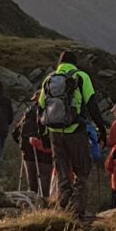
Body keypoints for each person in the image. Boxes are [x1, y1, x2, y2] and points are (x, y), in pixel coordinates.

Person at [36, 50, 109, 218]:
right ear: (74, 63)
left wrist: (43, 135)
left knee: (62, 170)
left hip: (54, 132)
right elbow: (92, 105)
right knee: (82, 171)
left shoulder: (49, 79)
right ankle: (77, 211)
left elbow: (40, 109)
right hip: (75, 131)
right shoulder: (81, 77)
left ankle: (63, 205)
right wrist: (102, 130)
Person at [14, 105, 54, 197]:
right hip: (45, 157)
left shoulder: (25, 121)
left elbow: (15, 134)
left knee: (32, 182)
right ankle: (44, 203)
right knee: (45, 183)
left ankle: (32, 201)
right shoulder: (49, 116)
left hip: (28, 156)